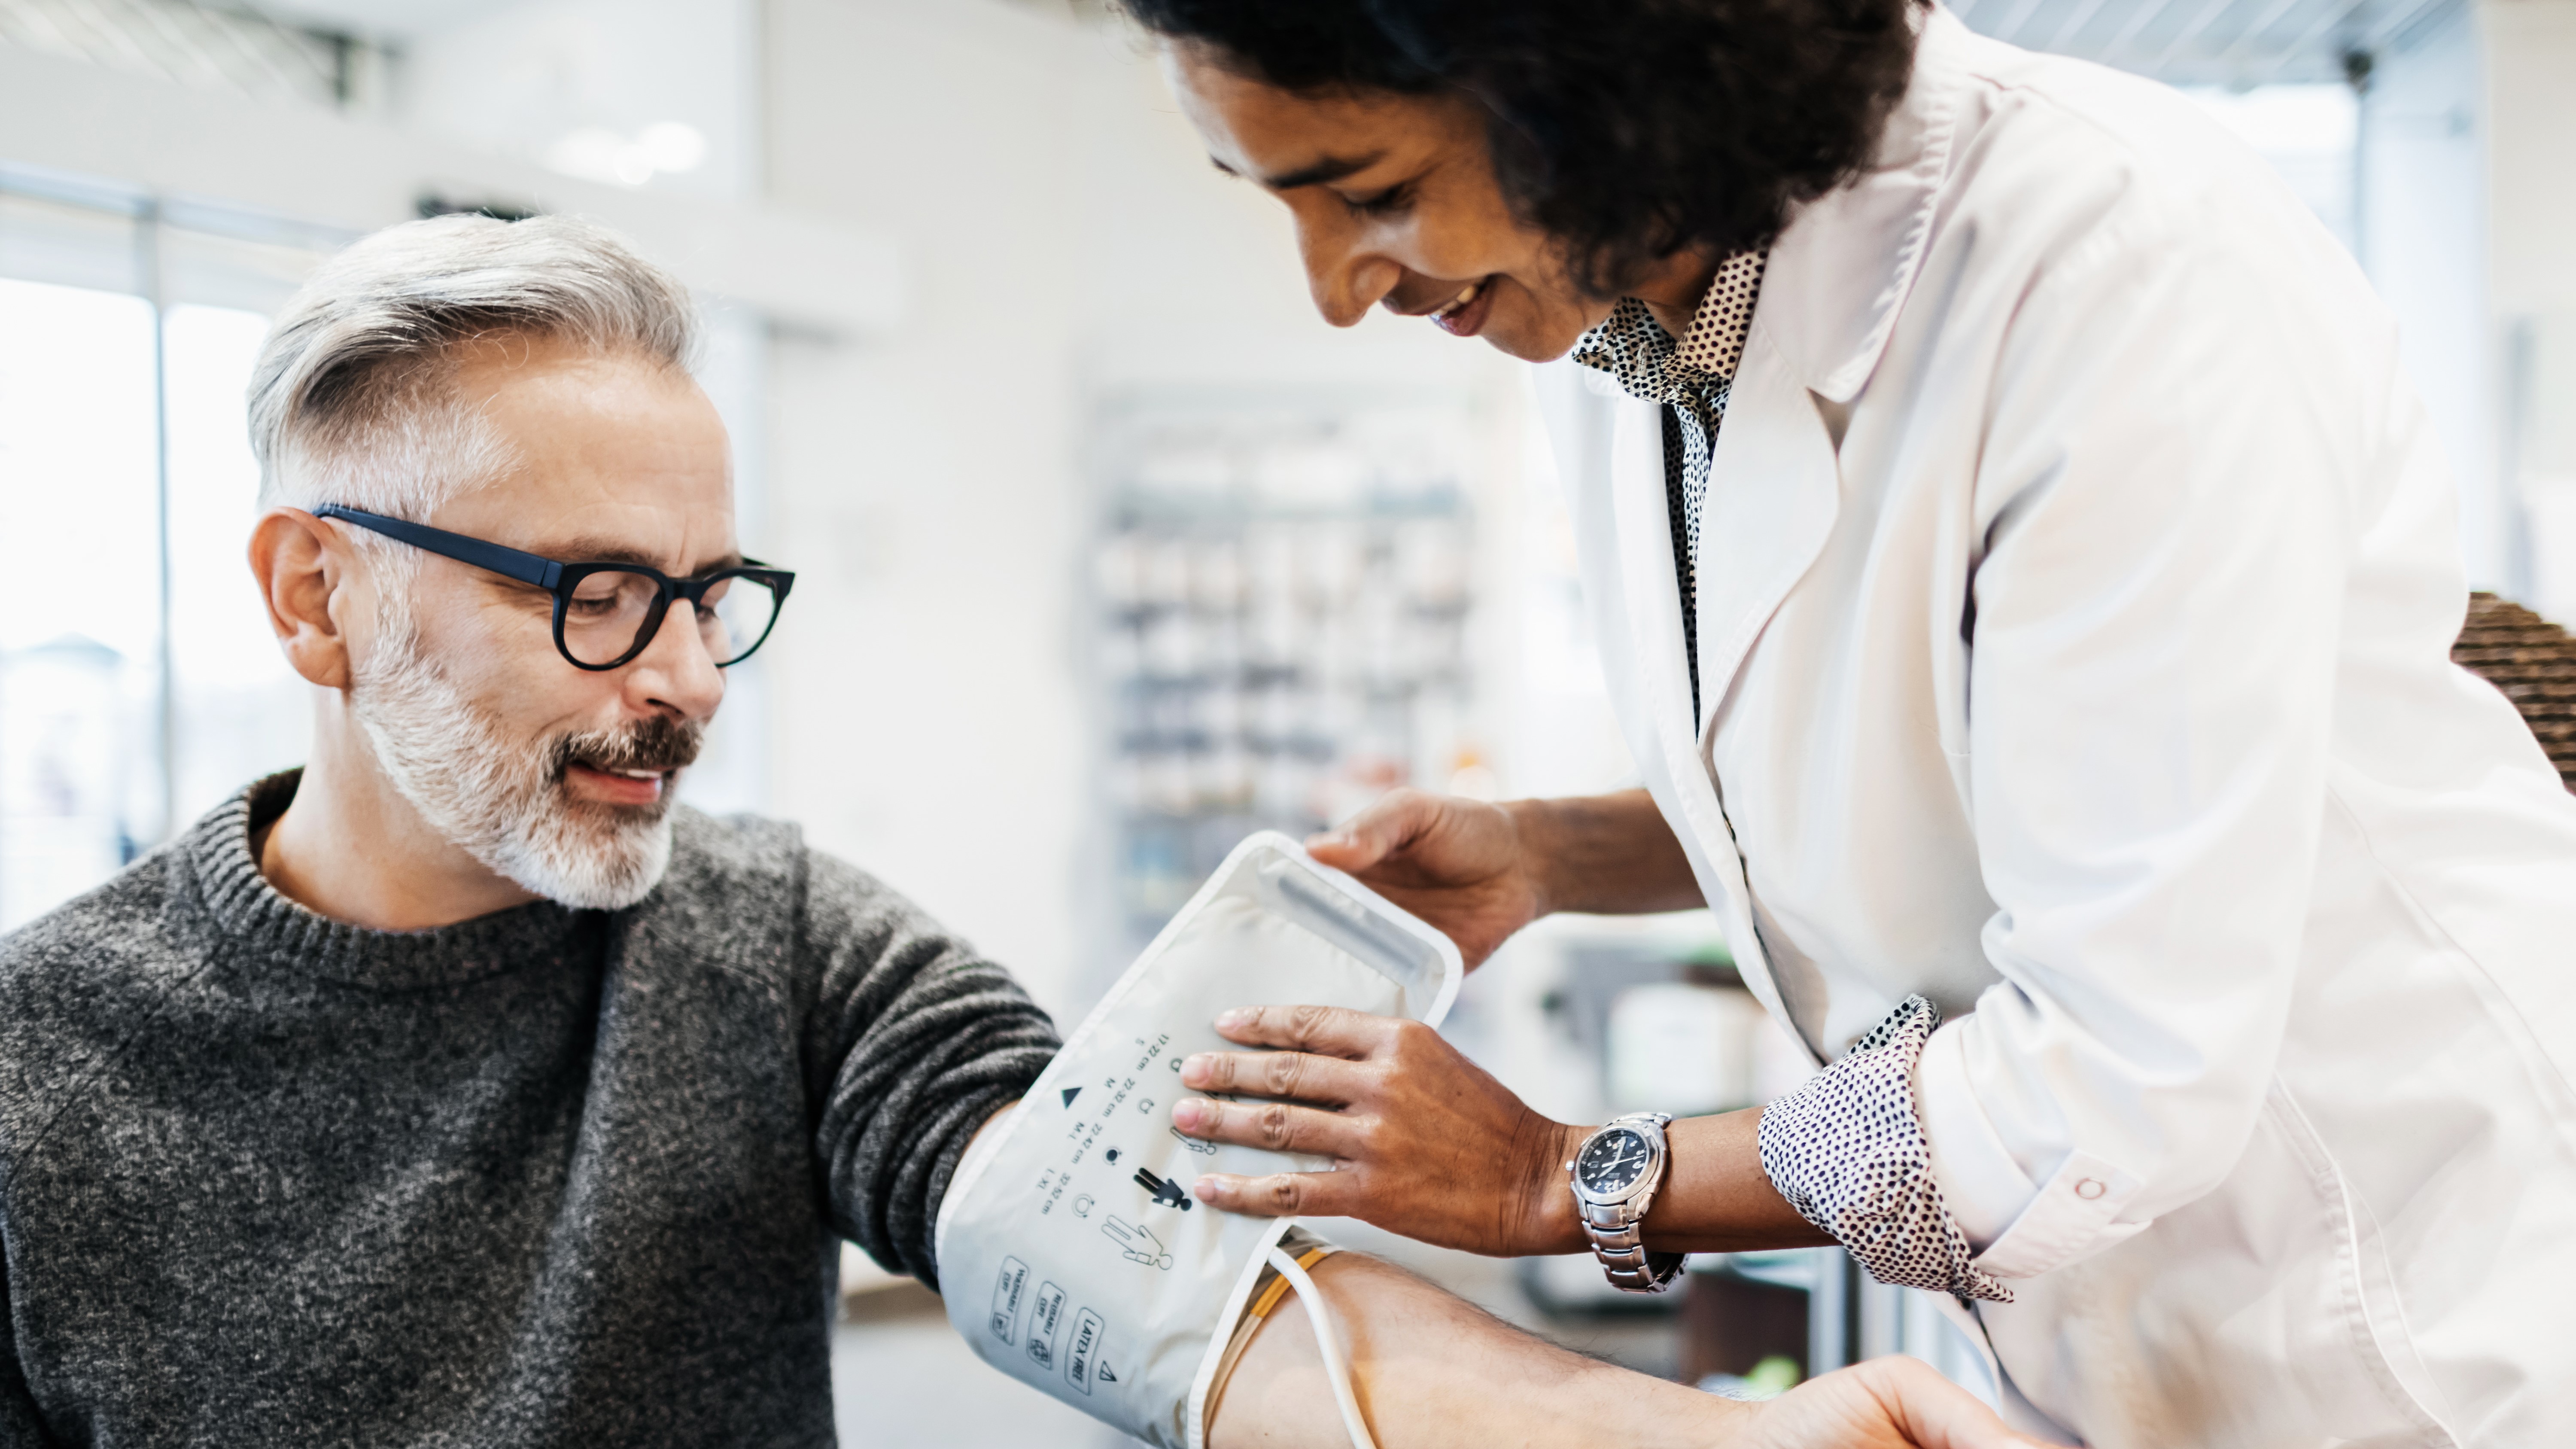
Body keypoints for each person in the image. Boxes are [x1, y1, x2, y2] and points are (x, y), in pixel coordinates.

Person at [0, 213, 2026, 1449]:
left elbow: (1157, 1280)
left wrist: (1684, 1441)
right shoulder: (40, 1069)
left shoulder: (773, 942)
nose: (690, 679)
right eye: (596, 594)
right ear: (316, 596)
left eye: (711, 594)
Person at [1130, 1, 2576, 1445]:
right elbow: (1912, 771)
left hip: (2424, 1324)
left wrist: (1559, 1177)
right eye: (1276, 199)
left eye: (1377, 193)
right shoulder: (1621, 324)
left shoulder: (2118, 267)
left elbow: (2120, 1069)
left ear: (1609, 79)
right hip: (2114, 1337)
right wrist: (1552, 855)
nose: (1334, 289)